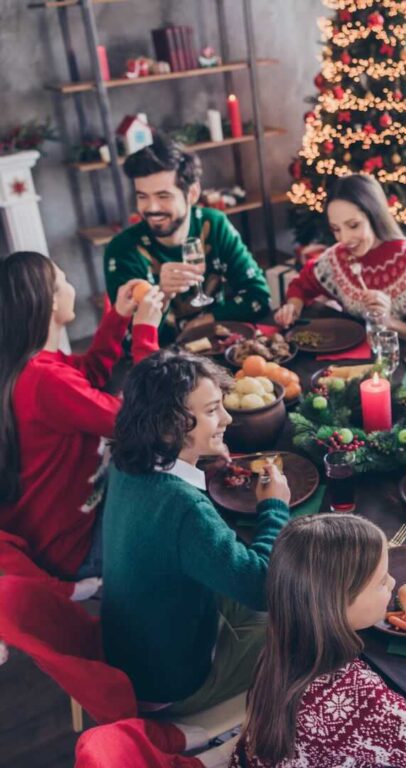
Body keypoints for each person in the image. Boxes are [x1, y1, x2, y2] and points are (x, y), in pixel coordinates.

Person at [101, 350, 290, 715]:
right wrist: (274, 506)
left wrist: (198, 456)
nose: (228, 418)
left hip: (138, 657)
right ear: (171, 427)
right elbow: (263, 587)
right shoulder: (181, 507)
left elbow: (179, 540)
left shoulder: (127, 463)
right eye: (211, 411)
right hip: (179, 683)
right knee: (313, 624)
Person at [230, 513, 406, 768]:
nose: (394, 582)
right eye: (382, 580)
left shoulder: (287, 641)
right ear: (338, 603)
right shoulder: (349, 697)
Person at [0, 251, 162, 582]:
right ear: (48, 302)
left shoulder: (31, 365)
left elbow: (87, 374)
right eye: (64, 281)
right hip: (73, 549)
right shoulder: (46, 381)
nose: (71, 287)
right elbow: (144, 421)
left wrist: (118, 317)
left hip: (48, 533)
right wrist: (145, 332)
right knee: (169, 494)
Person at [104, 135, 272, 344]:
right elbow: (130, 340)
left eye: (163, 196)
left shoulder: (215, 225)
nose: (151, 208)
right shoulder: (122, 249)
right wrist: (163, 295)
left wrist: (207, 320)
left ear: (192, 193)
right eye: (142, 196)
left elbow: (259, 297)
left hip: (219, 351)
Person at [274, 174, 406, 356]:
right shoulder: (337, 258)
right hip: (359, 356)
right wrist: (293, 307)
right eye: (336, 229)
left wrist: (389, 322)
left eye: (353, 225)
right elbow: (302, 284)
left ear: (374, 216)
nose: (344, 239)